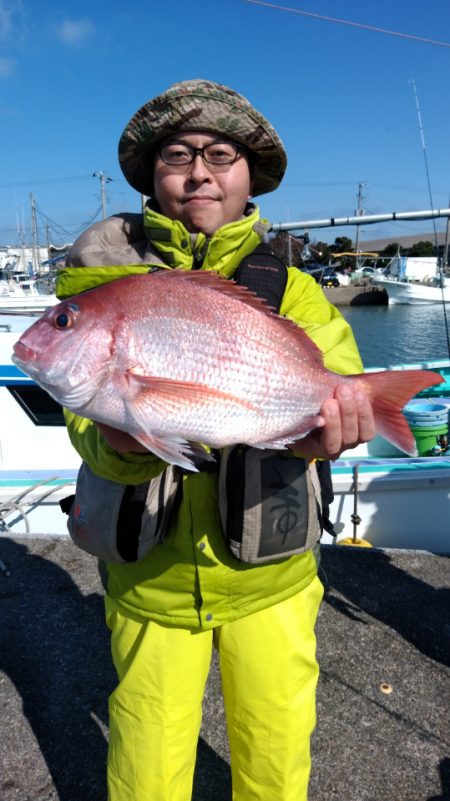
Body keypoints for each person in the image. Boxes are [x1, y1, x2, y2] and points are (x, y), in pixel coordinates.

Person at [56, 79, 375, 801]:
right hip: (149, 585)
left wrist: (335, 429)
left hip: (273, 579)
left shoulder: (291, 290)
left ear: (248, 176)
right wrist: (121, 441)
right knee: (145, 760)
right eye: (177, 155)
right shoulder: (103, 281)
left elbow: (335, 380)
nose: (199, 171)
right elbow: (85, 419)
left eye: (221, 154)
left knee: (275, 748)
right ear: (151, 177)